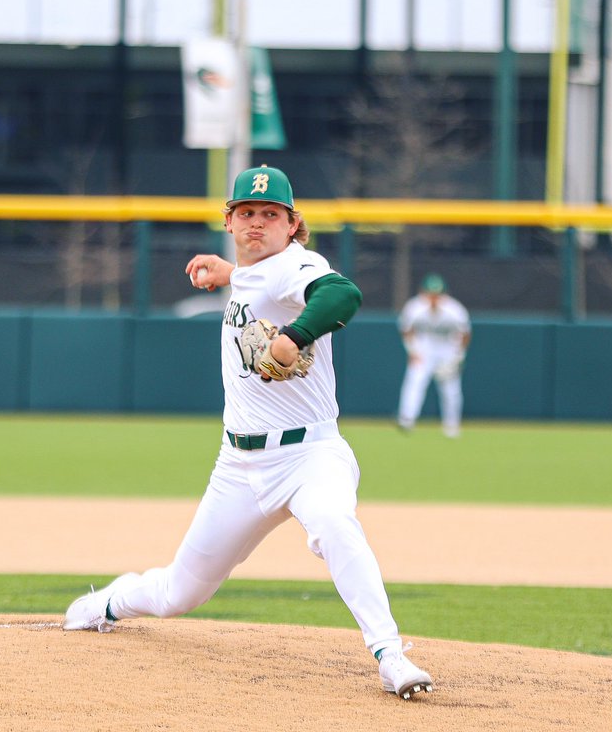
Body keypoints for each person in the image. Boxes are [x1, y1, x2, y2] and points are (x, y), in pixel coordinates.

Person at [63, 164, 434, 700]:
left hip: (310, 454)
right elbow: (255, 279)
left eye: (270, 214)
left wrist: (297, 334)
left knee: (333, 521)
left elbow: (341, 293)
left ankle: (390, 655)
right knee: (178, 594)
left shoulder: (297, 266)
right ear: (230, 222)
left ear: (292, 225)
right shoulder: (252, 273)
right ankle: (111, 603)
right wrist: (228, 273)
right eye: (246, 213)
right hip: (238, 467)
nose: (257, 222)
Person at [396, 274, 471, 438]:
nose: (434, 298)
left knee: (451, 389)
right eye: (430, 293)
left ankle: (452, 425)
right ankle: (406, 419)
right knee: (415, 381)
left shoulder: (454, 309)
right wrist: (412, 351)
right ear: (423, 292)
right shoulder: (415, 307)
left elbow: (465, 334)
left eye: (437, 294)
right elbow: (406, 330)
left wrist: (458, 356)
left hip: (447, 349)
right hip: (424, 348)